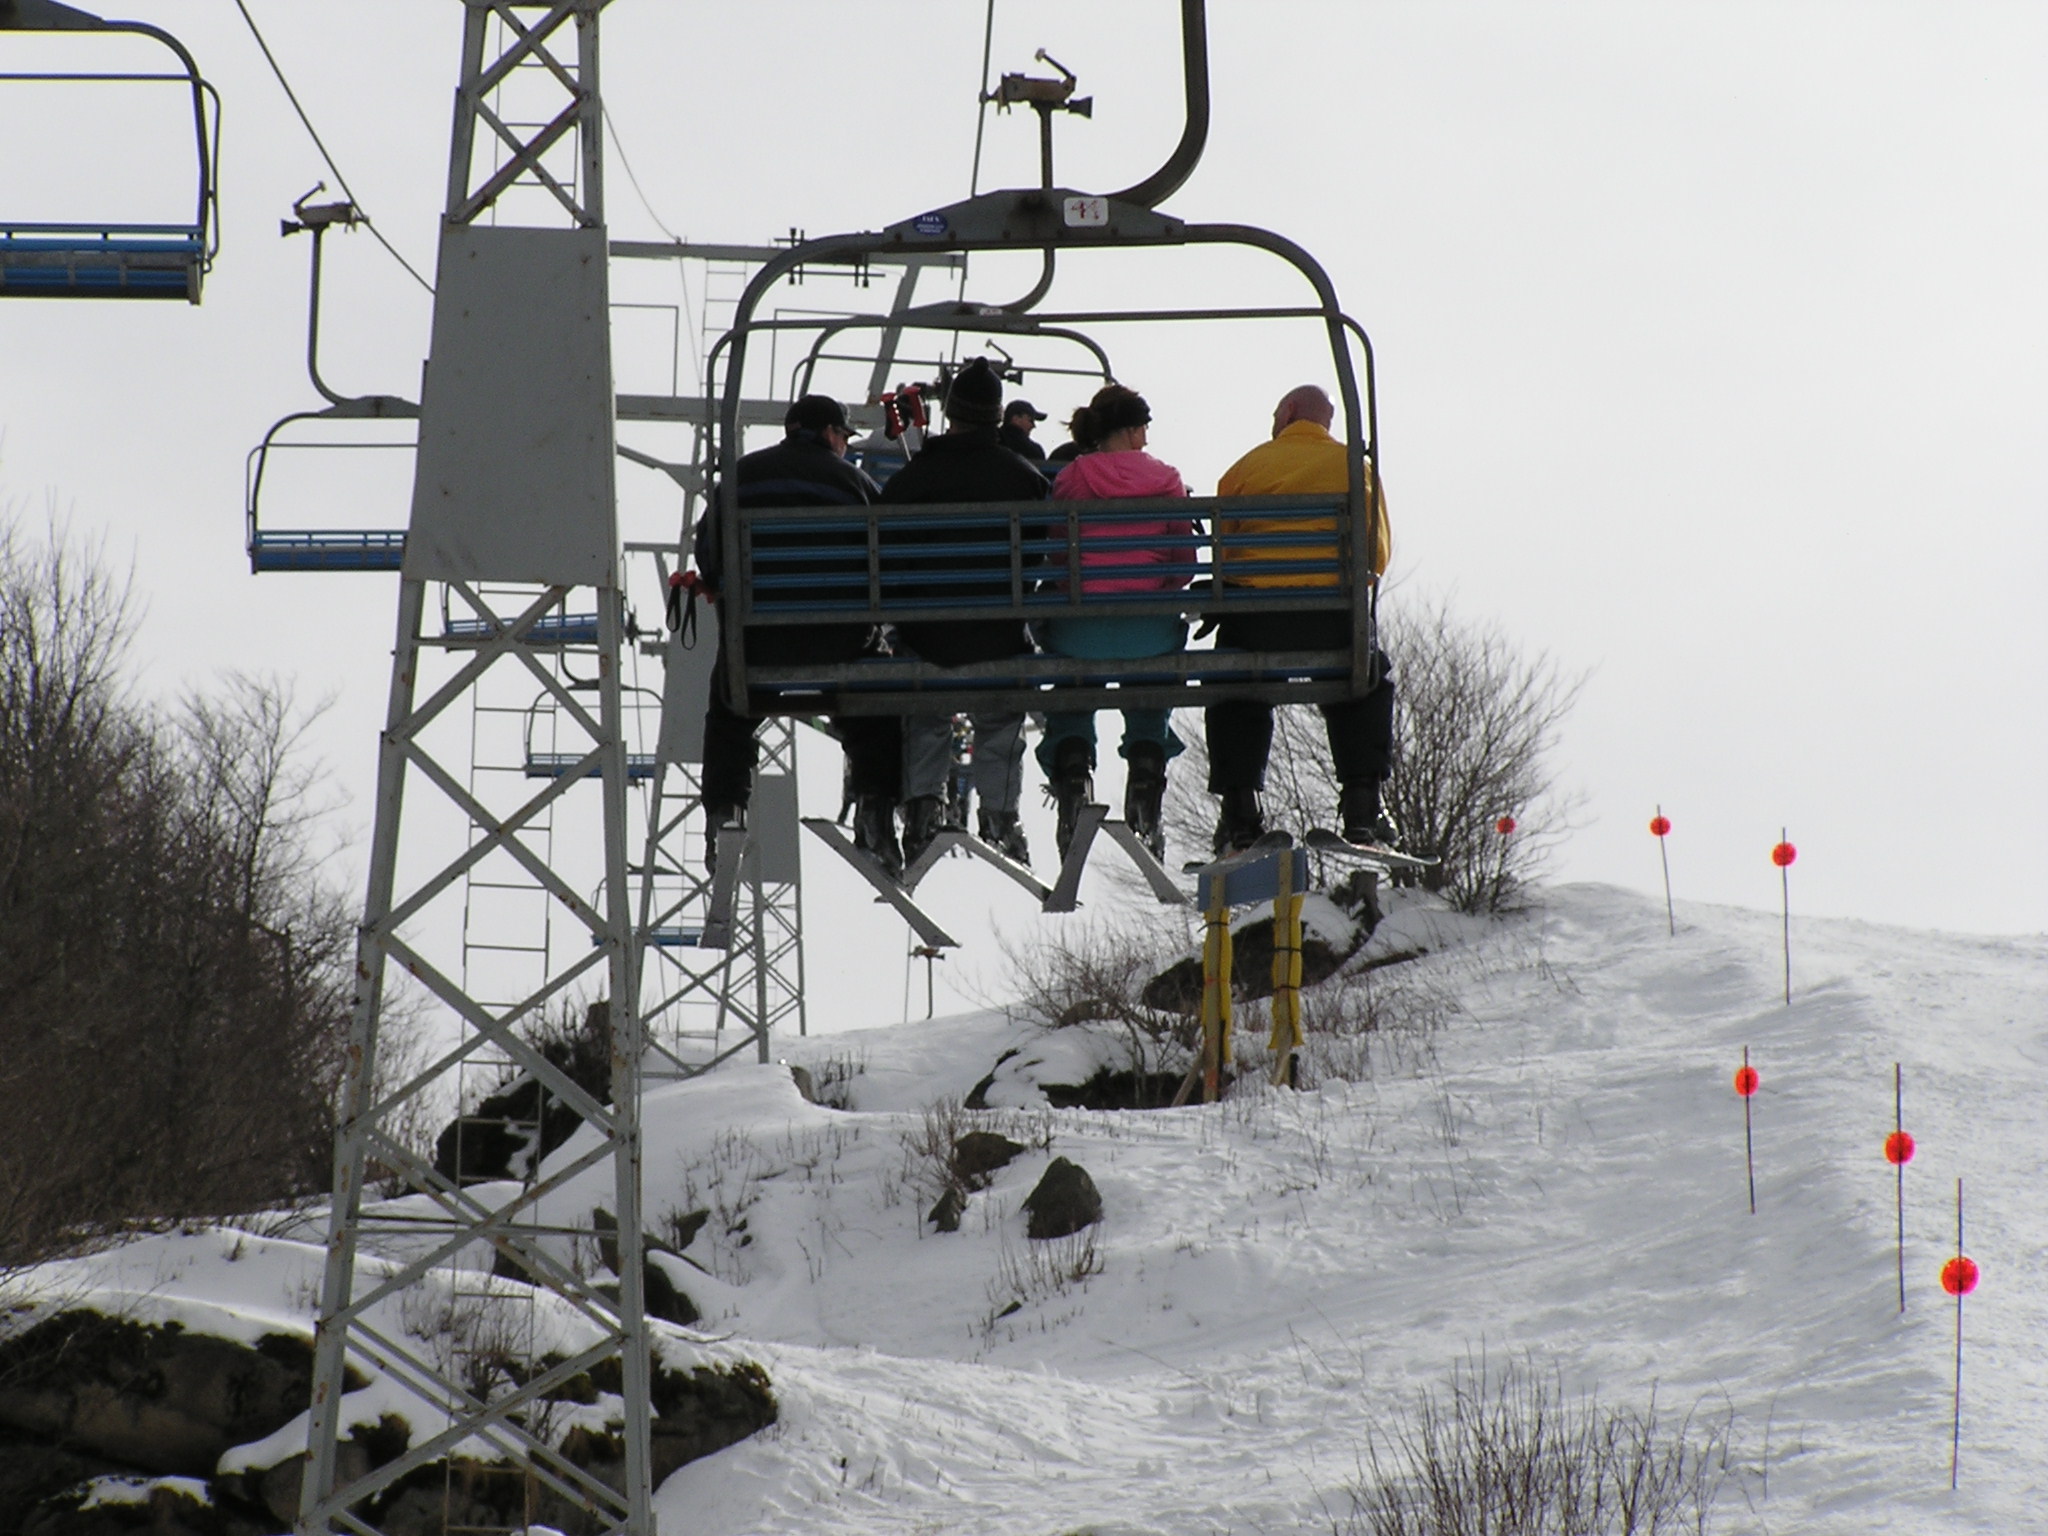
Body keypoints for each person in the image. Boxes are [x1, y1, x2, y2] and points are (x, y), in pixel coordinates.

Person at [692, 394, 906, 875]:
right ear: (831, 433)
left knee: (728, 705)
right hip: (842, 640)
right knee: (878, 693)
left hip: (758, 642)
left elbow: (709, 554)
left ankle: (726, 810)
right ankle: (875, 805)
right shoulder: (855, 483)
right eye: (845, 439)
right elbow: (891, 558)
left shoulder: (740, 481)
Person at [1204, 383, 1396, 852]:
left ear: (1288, 412)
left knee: (1233, 686)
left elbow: (1223, 556)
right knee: (1366, 677)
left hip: (1255, 625)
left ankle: (1240, 812)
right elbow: (1377, 554)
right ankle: (1361, 805)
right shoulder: (1356, 468)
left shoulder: (1245, 469)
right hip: (1331, 621)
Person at [879, 357, 1052, 865]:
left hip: (928, 635)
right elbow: (1037, 558)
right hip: (996, 633)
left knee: (927, 709)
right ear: (997, 418)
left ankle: (923, 807)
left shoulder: (915, 478)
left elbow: (884, 555)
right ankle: (998, 813)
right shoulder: (1022, 478)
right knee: (1000, 712)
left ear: (951, 414)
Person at [1036, 384, 1194, 859]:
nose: (1145, 440)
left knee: (1070, 691)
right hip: (1147, 631)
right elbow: (1183, 565)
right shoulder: (1166, 479)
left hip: (1078, 632)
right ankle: (1145, 780)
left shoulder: (1071, 479)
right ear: (1127, 430)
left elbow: (1053, 556)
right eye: (1142, 428)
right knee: (1152, 688)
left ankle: (1073, 773)